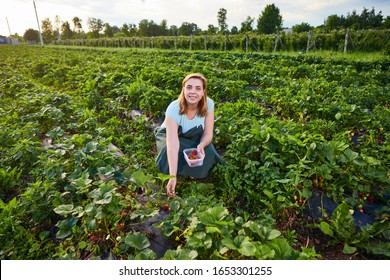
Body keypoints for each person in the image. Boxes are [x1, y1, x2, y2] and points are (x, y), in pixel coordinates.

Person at [155, 73, 223, 197]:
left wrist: (202, 144)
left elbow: (208, 134)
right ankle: (176, 172)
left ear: (203, 92)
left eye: (198, 88)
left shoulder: (209, 104)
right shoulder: (174, 109)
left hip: (193, 134)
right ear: (183, 89)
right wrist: (172, 176)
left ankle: (189, 169)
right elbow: (172, 144)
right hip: (170, 135)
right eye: (189, 87)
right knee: (167, 150)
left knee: (208, 152)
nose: (193, 92)